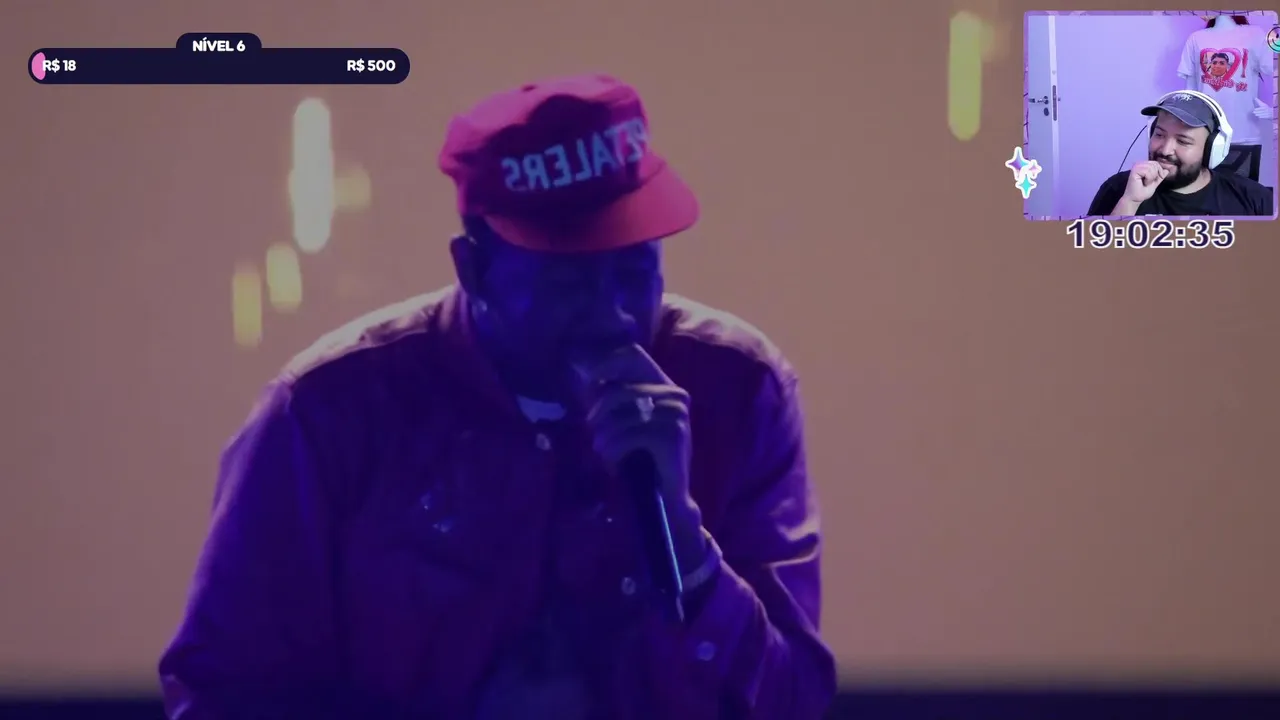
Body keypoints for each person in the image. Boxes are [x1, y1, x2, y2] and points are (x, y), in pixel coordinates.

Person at [157, 74, 836, 720]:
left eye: (635, 268)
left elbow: (795, 700)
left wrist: (683, 539)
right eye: (568, 279)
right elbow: (223, 694)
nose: (613, 312)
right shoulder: (331, 411)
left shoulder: (736, 388)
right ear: (474, 268)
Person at [1087, 91, 1274, 217]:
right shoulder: (1118, 189)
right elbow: (1094, 260)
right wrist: (1130, 202)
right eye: (1159, 135)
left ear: (1211, 149)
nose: (1165, 150)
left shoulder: (1254, 198)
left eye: (1183, 141)